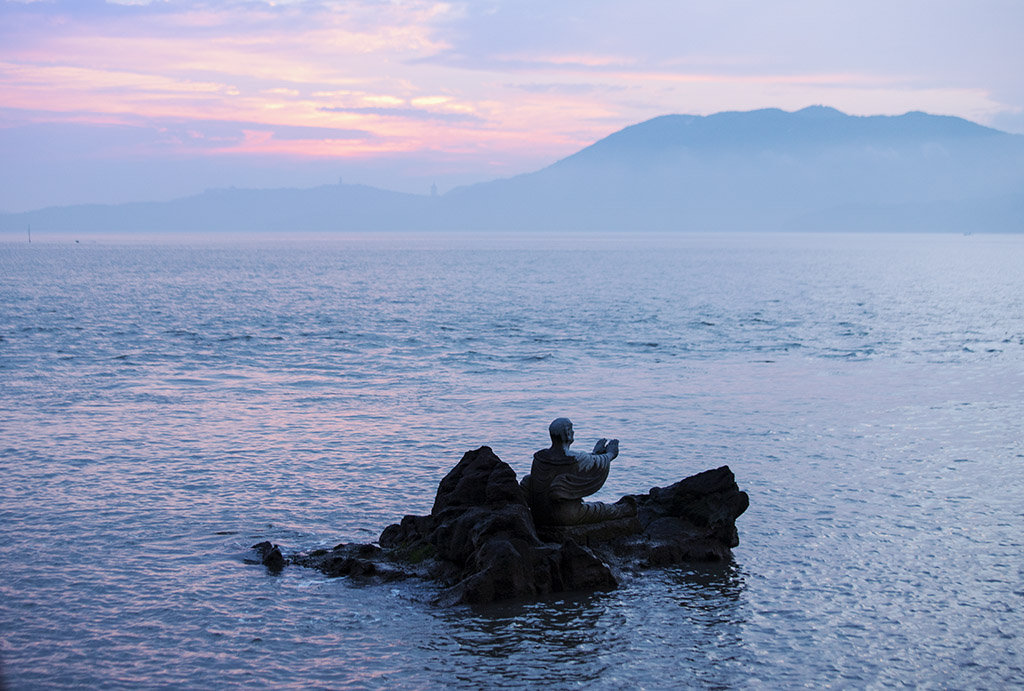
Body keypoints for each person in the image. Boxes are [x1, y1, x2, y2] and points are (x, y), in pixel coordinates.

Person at [520, 417, 636, 526]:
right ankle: (626, 509)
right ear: (567, 433)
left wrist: (596, 453)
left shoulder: (540, 458)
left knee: (528, 479)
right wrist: (610, 453)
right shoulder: (574, 459)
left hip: (538, 515)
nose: (573, 432)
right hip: (565, 515)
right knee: (600, 509)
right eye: (571, 429)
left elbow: (591, 460)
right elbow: (597, 463)